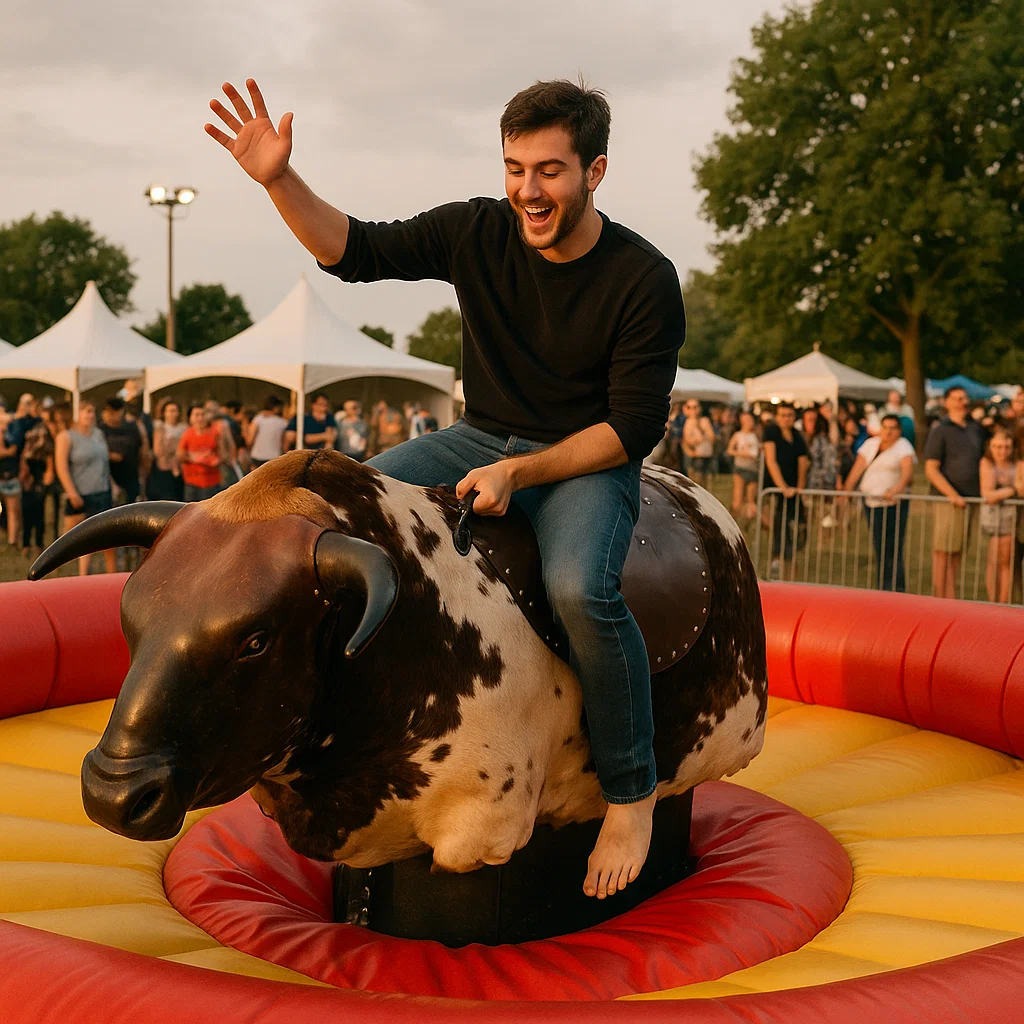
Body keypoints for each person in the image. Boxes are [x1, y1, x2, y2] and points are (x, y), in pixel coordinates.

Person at [208, 75, 684, 899]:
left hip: (582, 459)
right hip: (475, 437)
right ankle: (323, 740)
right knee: (332, 518)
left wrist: (519, 472)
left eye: (550, 170)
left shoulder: (643, 277)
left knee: (581, 591)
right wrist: (279, 179)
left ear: (594, 172)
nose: (528, 190)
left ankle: (632, 793)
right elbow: (350, 251)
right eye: (515, 168)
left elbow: (631, 430)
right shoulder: (476, 228)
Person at [924, 385, 986, 599]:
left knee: (958, 552)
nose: (963, 402)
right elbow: (931, 468)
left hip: (970, 498)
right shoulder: (941, 429)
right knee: (943, 552)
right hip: (948, 500)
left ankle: (951, 597)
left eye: (965, 398)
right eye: (958, 398)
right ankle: (941, 598)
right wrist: (952, 494)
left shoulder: (975, 428)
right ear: (947, 402)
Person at [844, 414, 917, 592]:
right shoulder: (871, 444)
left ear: (899, 431)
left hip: (893, 504)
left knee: (892, 546)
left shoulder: (903, 446)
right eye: (886, 427)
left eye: (893, 428)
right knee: (880, 545)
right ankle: (883, 586)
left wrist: (896, 490)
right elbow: (858, 467)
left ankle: (895, 588)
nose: (889, 432)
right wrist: (846, 490)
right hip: (872, 502)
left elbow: (907, 472)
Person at [54, 400, 116, 576]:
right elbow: (61, 466)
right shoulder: (66, 437)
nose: (90, 415)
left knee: (108, 539)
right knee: (80, 541)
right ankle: (76, 577)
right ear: (77, 414)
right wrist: (72, 492)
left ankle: (113, 578)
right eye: (86, 411)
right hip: (81, 493)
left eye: (92, 411)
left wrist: (112, 484)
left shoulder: (98, 434)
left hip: (101, 491)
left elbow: (103, 462)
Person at [763, 403, 808, 577]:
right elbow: (771, 461)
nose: (786, 418)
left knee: (792, 525)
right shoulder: (771, 432)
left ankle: (789, 560)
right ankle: (777, 559)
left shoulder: (797, 435)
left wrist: (800, 487)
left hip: (793, 489)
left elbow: (803, 463)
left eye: (789, 415)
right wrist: (783, 487)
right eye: (782, 415)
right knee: (777, 523)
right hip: (775, 488)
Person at [979, 428, 1023, 604]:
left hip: (1012, 517)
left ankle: (1003, 602)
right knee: (993, 560)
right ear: (990, 446)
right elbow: (988, 494)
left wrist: (1002, 493)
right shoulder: (986, 462)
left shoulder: (1018, 464)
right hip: (993, 518)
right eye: (997, 447)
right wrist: (1011, 490)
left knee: (1006, 561)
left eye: (1006, 447)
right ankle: (993, 601)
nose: (1002, 451)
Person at [0, 393, 41, 548]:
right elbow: (11, 450)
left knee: (12, 509)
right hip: (10, 471)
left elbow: (14, 449)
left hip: (12, 471)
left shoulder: (23, 423)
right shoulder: (13, 422)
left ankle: (12, 540)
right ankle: (12, 539)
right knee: (12, 510)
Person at [18, 410, 55, 558]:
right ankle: (27, 544)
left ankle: (37, 544)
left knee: (39, 510)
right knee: (28, 510)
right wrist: (24, 472)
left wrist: (49, 471)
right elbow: (25, 454)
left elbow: (49, 453)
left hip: (40, 470)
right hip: (31, 471)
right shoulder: (33, 428)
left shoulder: (47, 430)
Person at [99, 397, 149, 507]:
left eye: (115, 412)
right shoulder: (100, 430)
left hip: (132, 479)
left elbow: (143, 451)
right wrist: (111, 456)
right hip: (109, 482)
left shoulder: (132, 428)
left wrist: (143, 476)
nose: (112, 415)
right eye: (109, 412)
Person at [176, 405, 224, 501]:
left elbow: (223, 454)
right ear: (191, 418)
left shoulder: (215, 433)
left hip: (212, 482)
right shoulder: (187, 434)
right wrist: (194, 458)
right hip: (192, 482)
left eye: (203, 414)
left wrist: (213, 460)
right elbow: (179, 455)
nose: (200, 418)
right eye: (197, 415)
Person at [726, 411, 761, 521]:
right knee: (737, 499)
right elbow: (730, 450)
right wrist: (742, 454)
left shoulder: (756, 435)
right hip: (741, 468)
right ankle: (734, 521)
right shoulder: (738, 435)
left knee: (751, 501)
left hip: (753, 469)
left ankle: (746, 524)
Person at [149, 398, 186, 502]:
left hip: (180, 469)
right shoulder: (160, 428)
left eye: (175, 411)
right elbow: (158, 451)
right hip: (163, 469)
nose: (173, 414)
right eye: (170, 411)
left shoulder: (183, 428)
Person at [247, 395, 289, 468]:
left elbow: (250, 440)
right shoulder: (283, 422)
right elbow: (285, 444)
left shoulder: (257, 419)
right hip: (274, 458)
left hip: (257, 457)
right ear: (276, 407)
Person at [681, 399, 715, 486]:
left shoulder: (704, 420)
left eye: (695, 407)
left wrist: (698, 426)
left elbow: (711, 437)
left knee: (703, 481)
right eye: (689, 407)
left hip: (704, 454)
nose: (693, 410)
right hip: (694, 455)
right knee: (694, 481)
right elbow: (686, 440)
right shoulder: (687, 422)